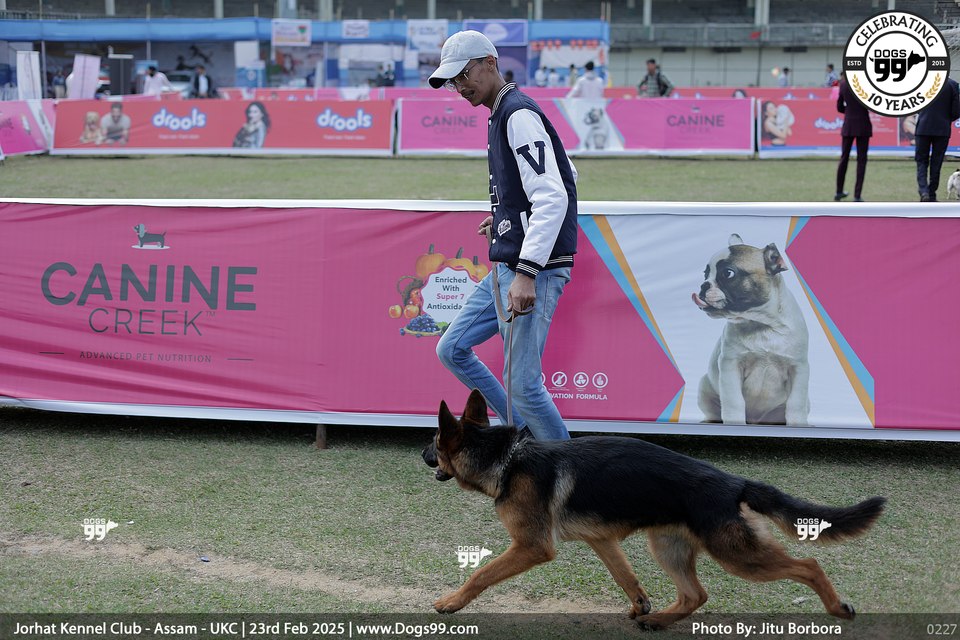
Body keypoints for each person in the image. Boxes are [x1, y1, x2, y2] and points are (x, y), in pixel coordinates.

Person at [429, 30, 578, 441]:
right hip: (510, 264)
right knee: (452, 349)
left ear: (490, 63)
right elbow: (567, 173)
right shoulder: (504, 112)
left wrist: (528, 271)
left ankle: (571, 472)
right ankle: (523, 433)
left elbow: (554, 194)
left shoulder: (516, 114)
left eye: (464, 75)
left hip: (531, 270)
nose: (460, 86)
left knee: (523, 386)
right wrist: (509, 218)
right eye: (453, 81)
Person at [915, 76, 960, 201]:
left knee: (921, 161)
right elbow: (956, 111)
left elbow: (915, 104)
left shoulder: (922, 81)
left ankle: (924, 191)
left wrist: (923, 114)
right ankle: (932, 193)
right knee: (937, 162)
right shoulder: (953, 85)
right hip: (942, 129)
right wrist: (945, 119)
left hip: (923, 127)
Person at [834, 76, 871, 202]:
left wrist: (850, 111)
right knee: (861, 160)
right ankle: (857, 194)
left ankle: (839, 191)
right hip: (863, 124)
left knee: (844, 158)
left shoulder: (843, 83)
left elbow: (839, 107)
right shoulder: (866, 83)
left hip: (849, 124)